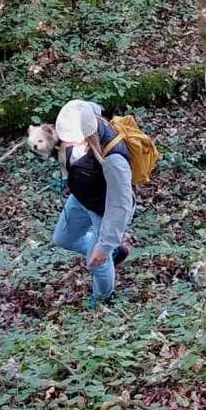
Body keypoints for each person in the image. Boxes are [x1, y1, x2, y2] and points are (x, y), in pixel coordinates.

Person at [51, 99, 133, 310]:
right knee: (62, 238)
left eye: (70, 140)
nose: (65, 144)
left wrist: (104, 246)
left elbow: (120, 205)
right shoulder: (82, 112)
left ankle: (104, 298)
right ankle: (114, 252)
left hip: (104, 210)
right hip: (81, 199)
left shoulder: (114, 159)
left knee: (95, 263)